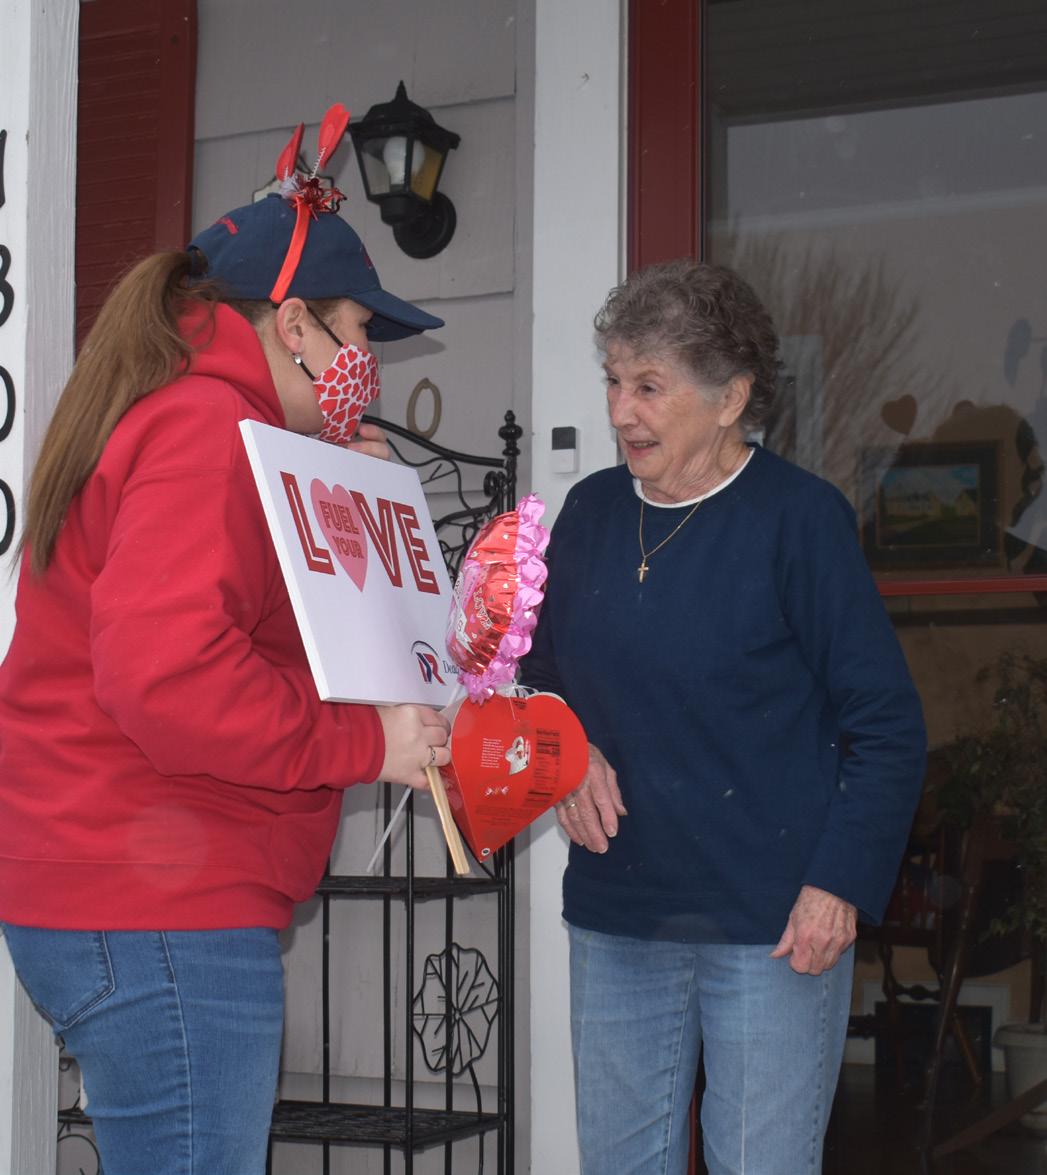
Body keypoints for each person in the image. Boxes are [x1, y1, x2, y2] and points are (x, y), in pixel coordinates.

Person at [0, 122, 453, 1175]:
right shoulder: (207, 429)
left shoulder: (196, 419)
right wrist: (365, 743)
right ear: (293, 324)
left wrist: (343, 488)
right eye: (358, 330)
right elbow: (169, 674)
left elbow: (249, 630)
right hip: (159, 901)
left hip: (137, 890)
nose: (368, 364)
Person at [521, 259, 927, 1175]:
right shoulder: (588, 513)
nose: (621, 411)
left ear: (730, 397)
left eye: (649, 386)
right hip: (618, 915)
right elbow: (533, 678)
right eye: (613, 381)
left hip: (771, 926)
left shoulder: (799, 520)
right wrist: (564, 751)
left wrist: (838, 885)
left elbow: (886, 726)